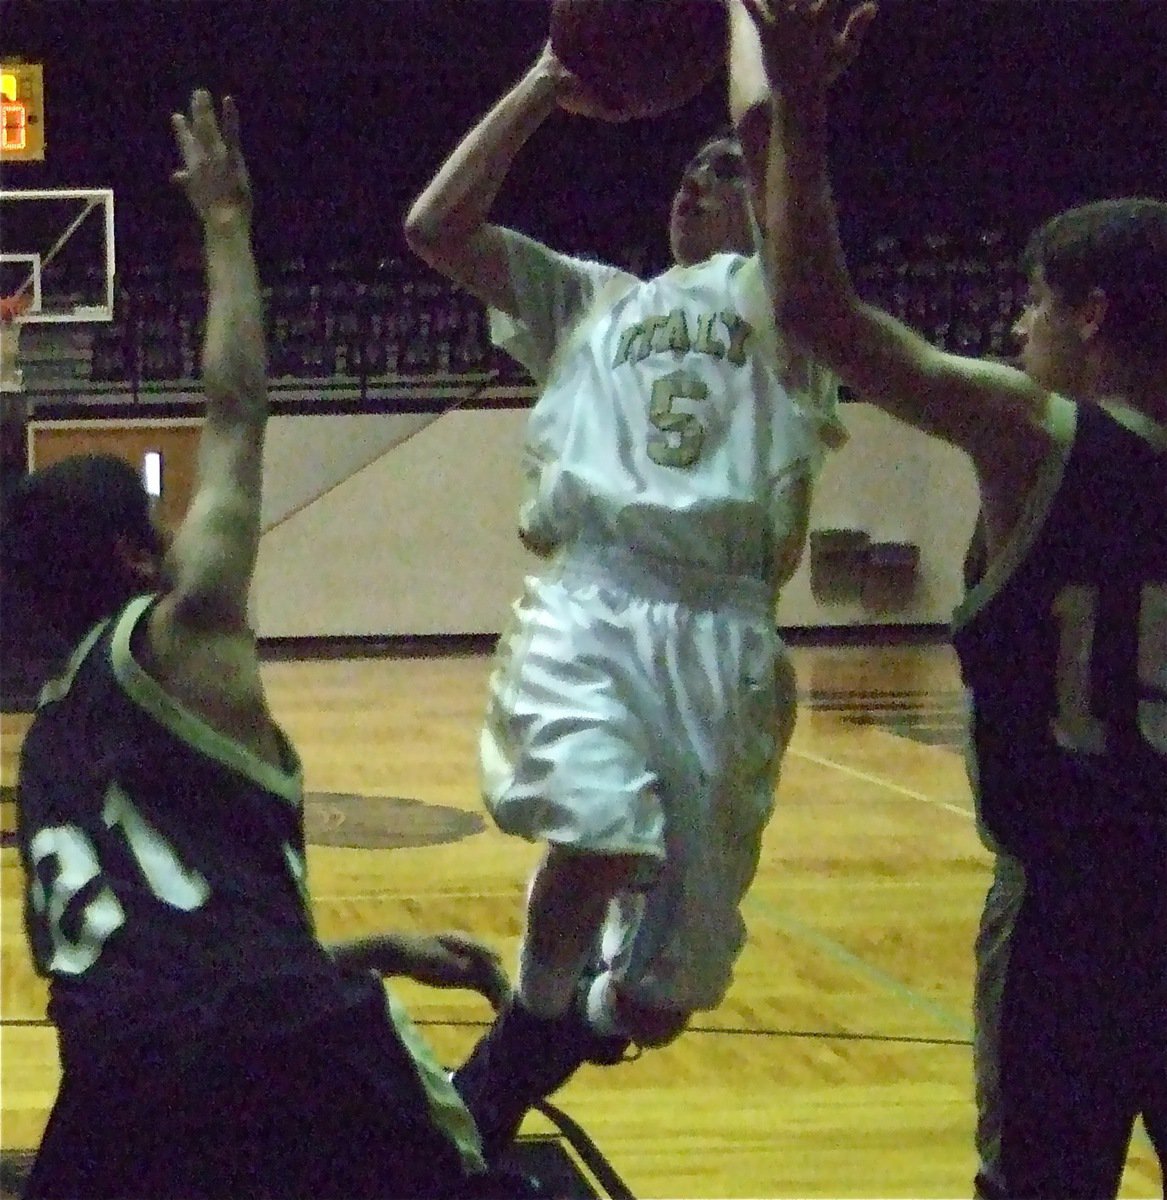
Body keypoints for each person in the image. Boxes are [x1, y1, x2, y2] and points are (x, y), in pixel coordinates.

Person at [4, 90, 534, 1200]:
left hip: (116, 1090)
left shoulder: (44, 763)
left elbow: (165, 975)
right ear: (138, 564)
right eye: (159, 528)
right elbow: (237, 408)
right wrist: (228, 227)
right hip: (284, 1046)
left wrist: (375, 943)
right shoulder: (180, 634)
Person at [403, 11, 862, 1163]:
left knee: (666, 996)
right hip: (591, 597)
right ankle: (527, 1033)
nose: (700, 186)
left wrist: (759, 49)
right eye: (688, 173)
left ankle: (583, 1021)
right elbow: (434, 226)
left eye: (727, 175)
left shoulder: (791, 313)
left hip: (723, 634)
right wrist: (547, 81)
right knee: (593, 827)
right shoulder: (592, 301)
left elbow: (770, 153)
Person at [742, 2, 1167, 1196]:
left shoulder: (1039, 439)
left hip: (1072, 925)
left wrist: (804, 114)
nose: (1018, 324)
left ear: (1092, 315)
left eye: (1035, 301)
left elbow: (818, 314)